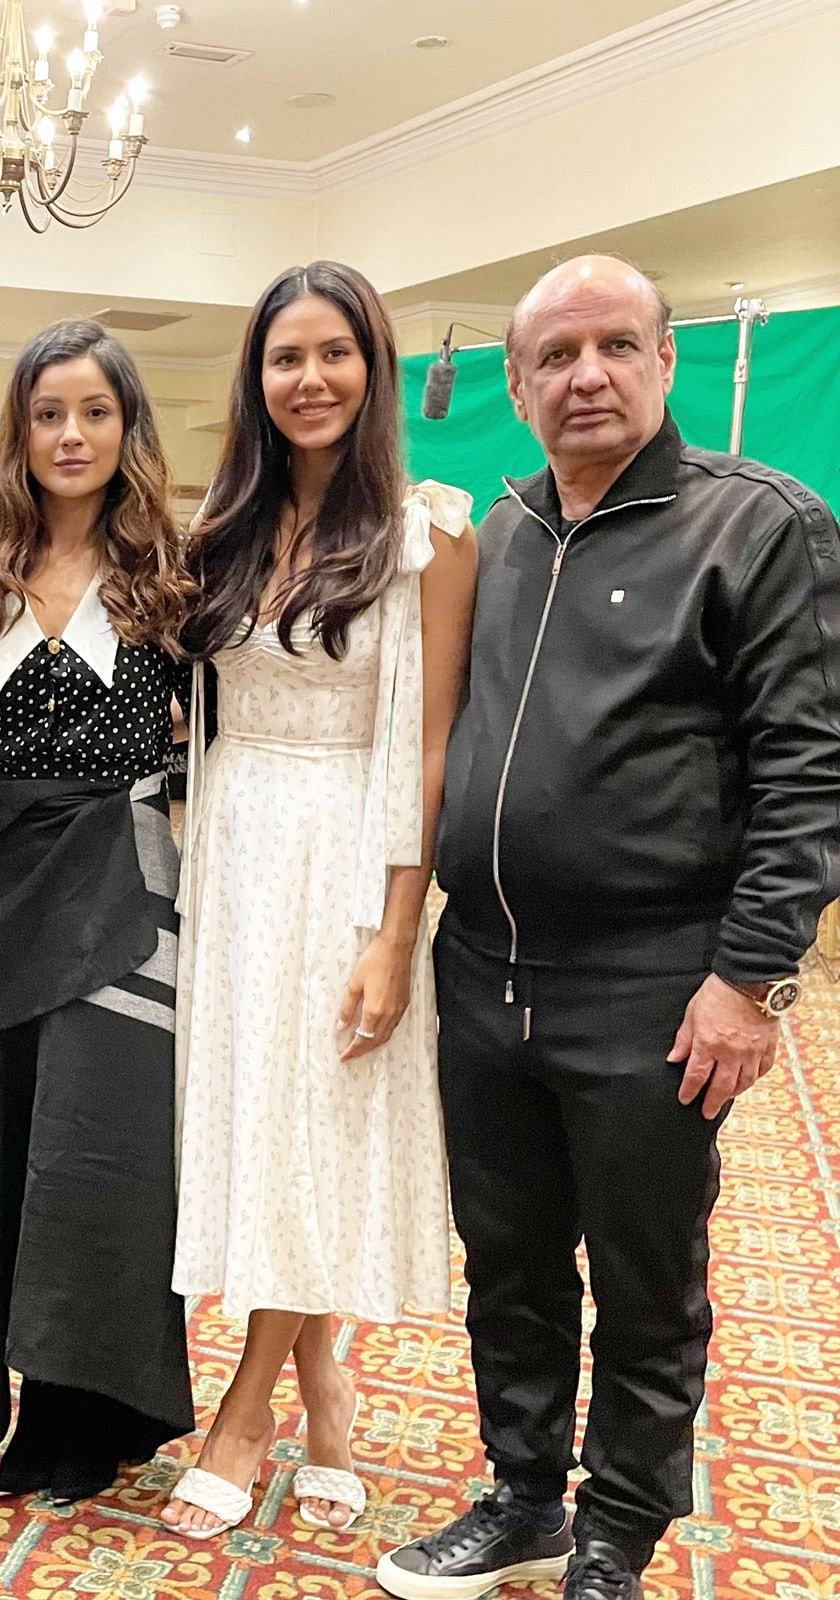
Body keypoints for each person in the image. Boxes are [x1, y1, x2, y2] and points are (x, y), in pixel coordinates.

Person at [376, 255, 840, 1600]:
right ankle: (524, 1498)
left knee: (645, 1277)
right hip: (485, 968)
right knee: (509, 1263)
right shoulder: (502, 531)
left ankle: (616, 1532)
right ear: (518, 385)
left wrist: (750, 980)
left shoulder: (758, 525)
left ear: (664, 361)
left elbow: (810, 769)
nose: (587, 376)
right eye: (557, 356)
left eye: (617, 346)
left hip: (654, 983)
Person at [162, 263, 477, 1539]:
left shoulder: (427, 533)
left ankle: (245, 1414)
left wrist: (398, 931)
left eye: (334, 352)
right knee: (264, 1119)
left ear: (374, 369)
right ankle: (327, 1394)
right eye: (285, 356)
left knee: (324, 1115)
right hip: (235, 848)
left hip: (351, 847)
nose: (310, 379)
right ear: (257, 377)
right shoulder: (219, 530)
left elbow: (431, 744)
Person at [0, 320, 197, 1501]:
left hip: (127, 889)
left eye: (94, 412)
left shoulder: (172, 581)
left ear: (127, 428)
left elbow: (210, 751)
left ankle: (83, 1414)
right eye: (48, 413)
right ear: (18, 431)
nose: (71, 434)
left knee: (102, 1154)